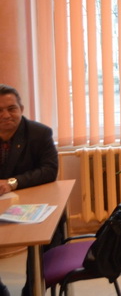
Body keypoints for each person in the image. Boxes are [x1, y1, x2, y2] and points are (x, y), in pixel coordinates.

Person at [0, 84, 61, 296]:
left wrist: (12, 183)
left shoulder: (39, 133)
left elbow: (50, 170)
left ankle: (33, 290)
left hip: (37, 206)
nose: (6, 115)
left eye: (11, 108)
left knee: (45, 241)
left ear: (21, 109)